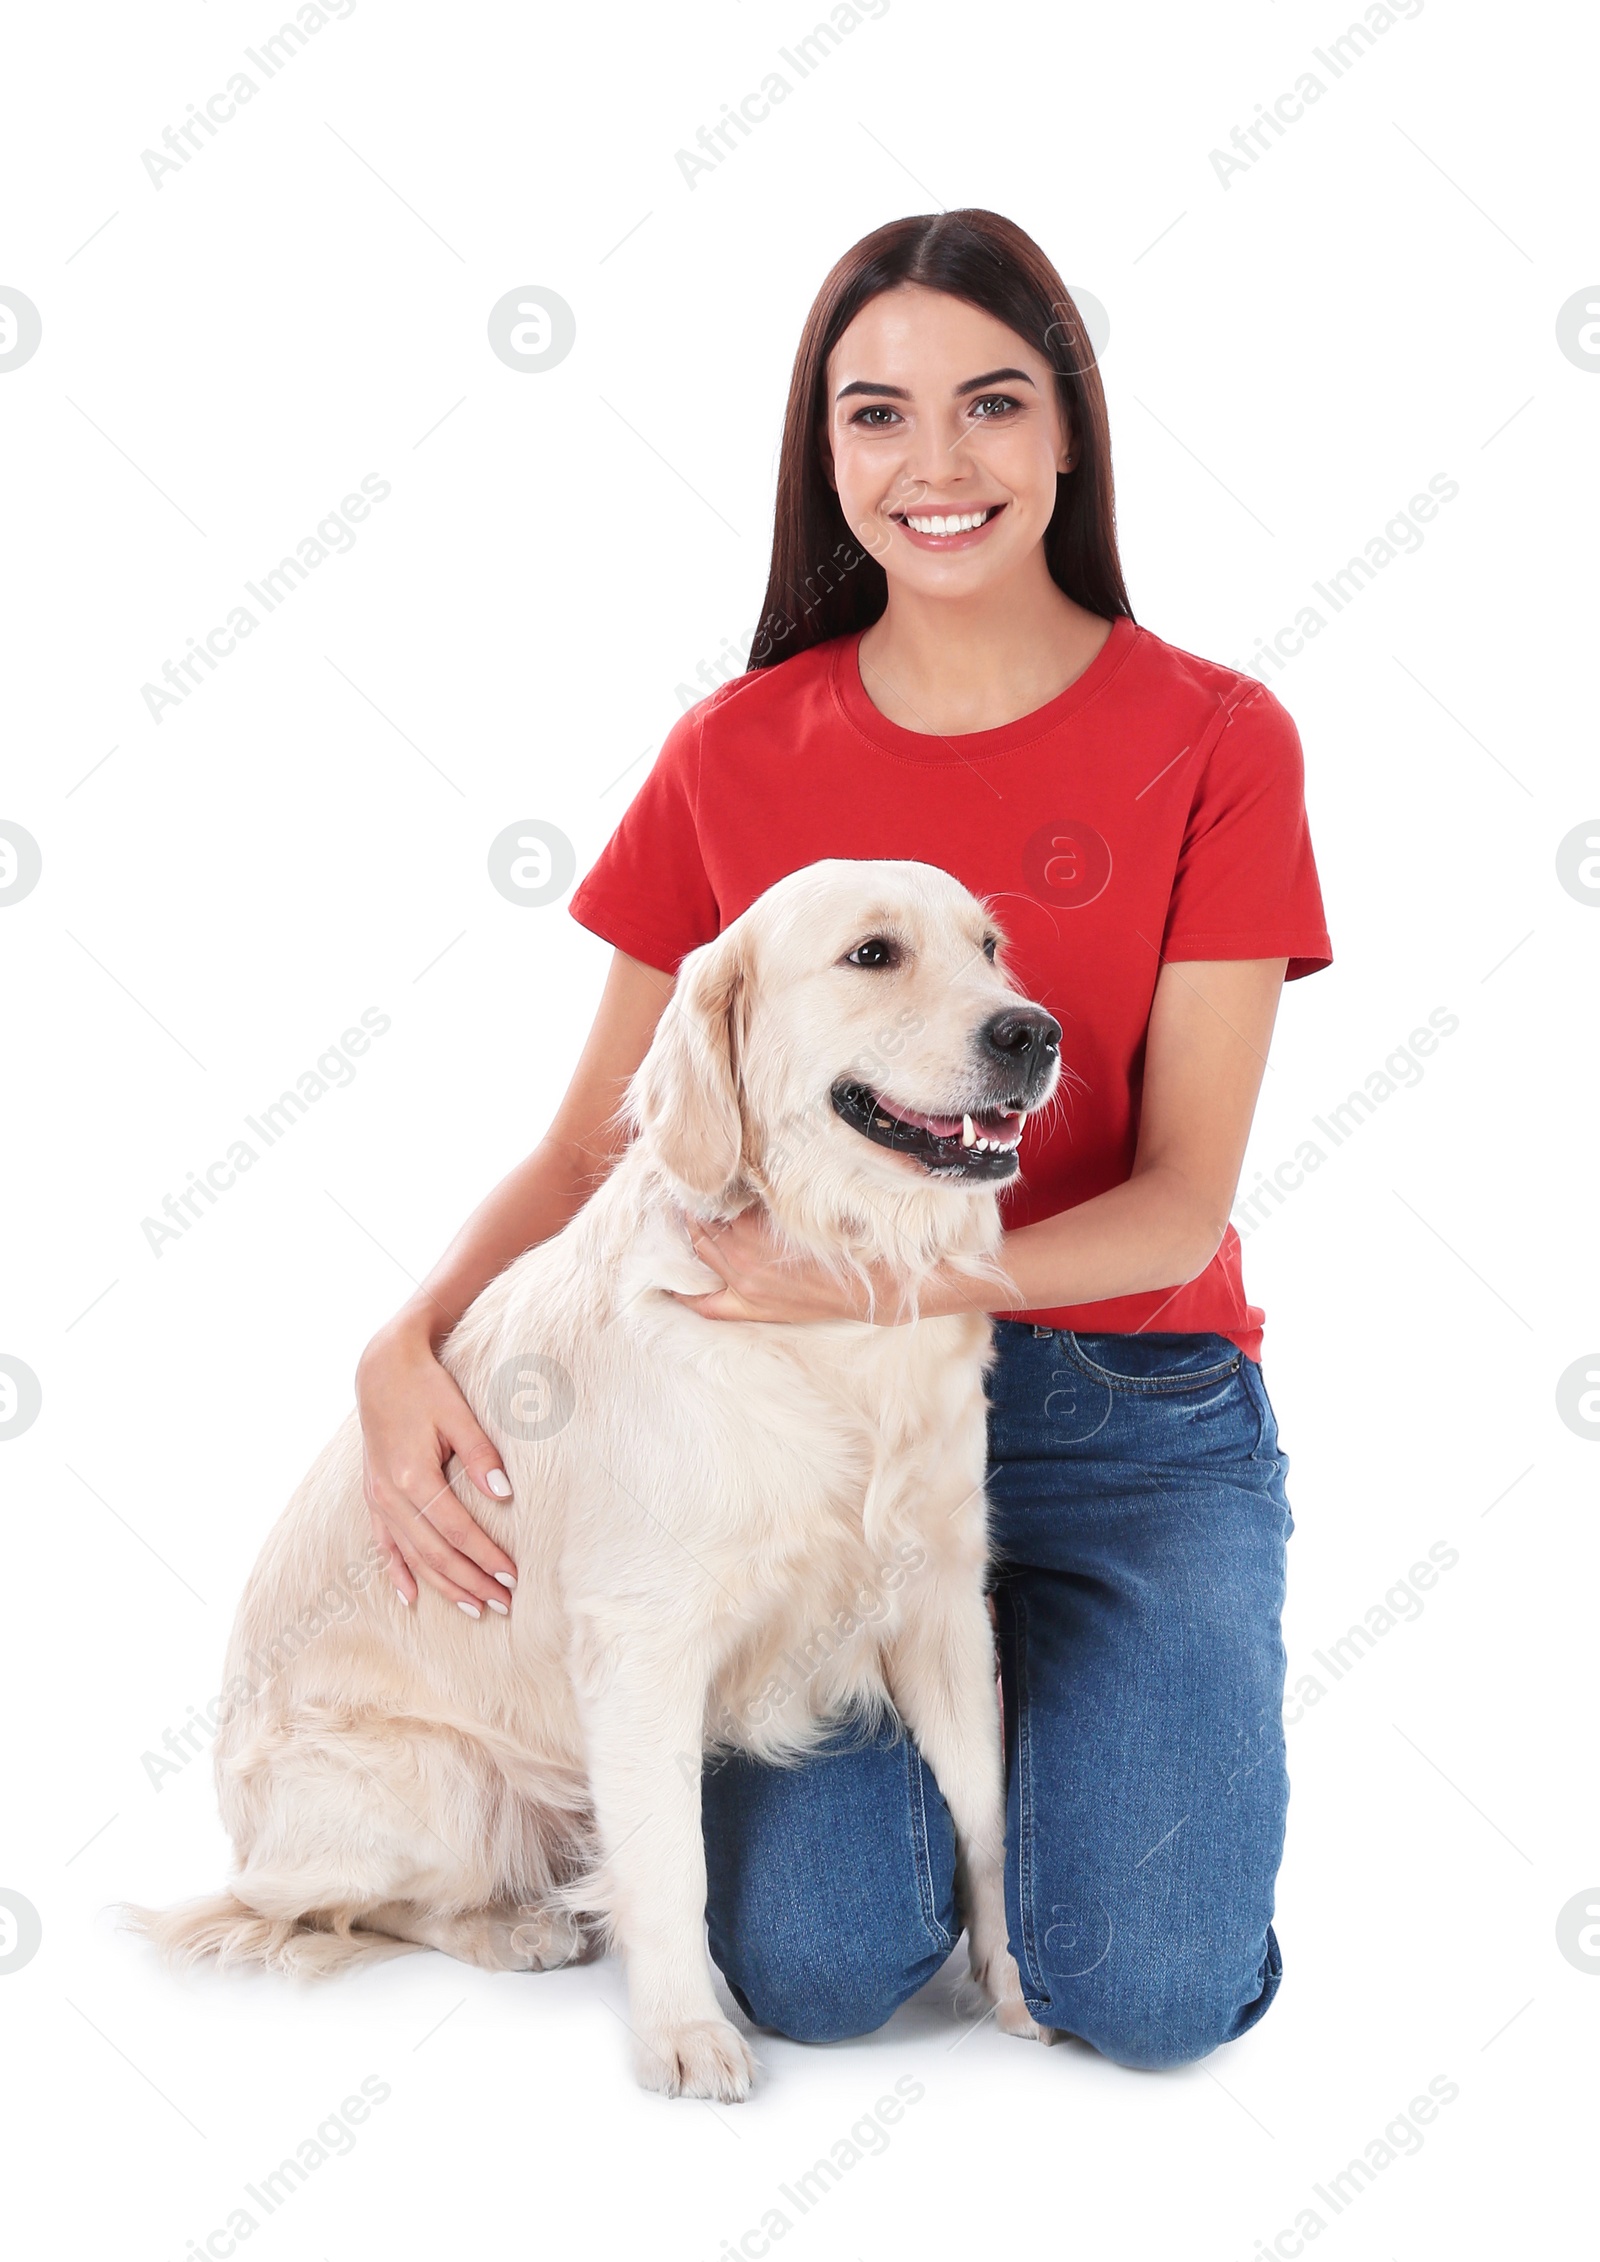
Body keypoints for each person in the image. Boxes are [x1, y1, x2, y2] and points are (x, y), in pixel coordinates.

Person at [353, 210, 1331, 2070]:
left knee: (1148, 1993)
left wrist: (887, 1281)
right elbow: (596, 1143)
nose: (935, 464)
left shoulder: (1218, 734)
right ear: (827, 452)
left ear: (1069, 435)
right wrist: (403, 1339)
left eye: (993, 404)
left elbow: (1183, 1198)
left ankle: (1099, 1721)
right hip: (792, 1433)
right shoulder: (733, 748)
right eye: (877, 416)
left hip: (1131, 1414)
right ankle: (1030, 1760)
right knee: (814, 1971)